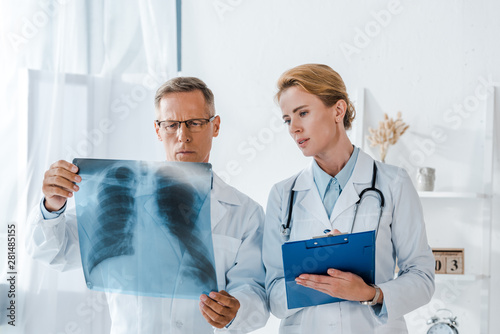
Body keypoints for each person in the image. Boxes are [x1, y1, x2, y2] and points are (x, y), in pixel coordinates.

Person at [26, 77, 269, 333]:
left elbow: (255, 292)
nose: (182, 136)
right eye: (171, 124)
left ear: (215, 126)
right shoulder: (119, 194)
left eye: (195, 123)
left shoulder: (244, 213)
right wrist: (52, 205)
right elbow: (52, 252)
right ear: (157, 129)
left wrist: (236, 309)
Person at [263, 64, 435, 333]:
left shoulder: (394, 183)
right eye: (287, 120)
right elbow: (273, 292)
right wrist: (315, 278)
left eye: (303, 113)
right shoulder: (283, 195)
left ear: (338, 110)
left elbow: (422, 278)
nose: (294, 128)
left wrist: (370, 293)